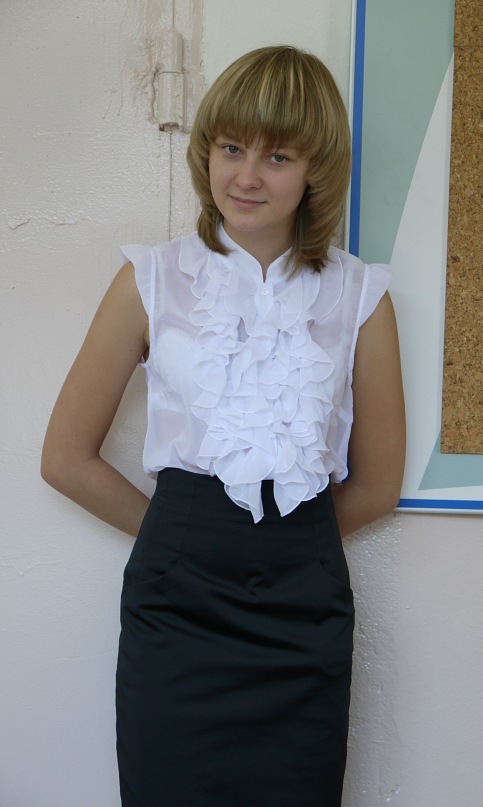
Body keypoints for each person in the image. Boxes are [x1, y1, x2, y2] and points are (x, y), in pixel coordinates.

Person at [41, 45, 405, 807]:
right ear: (205, 149)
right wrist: (181, 536)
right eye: (231, 147)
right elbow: (66, 458)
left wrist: (285, 543)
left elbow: (376, 486)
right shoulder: (147, 280)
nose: (246, 176)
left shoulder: (360, 297)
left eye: (277, 156)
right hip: (177, 612)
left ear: (315, 168)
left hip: (302, 614)